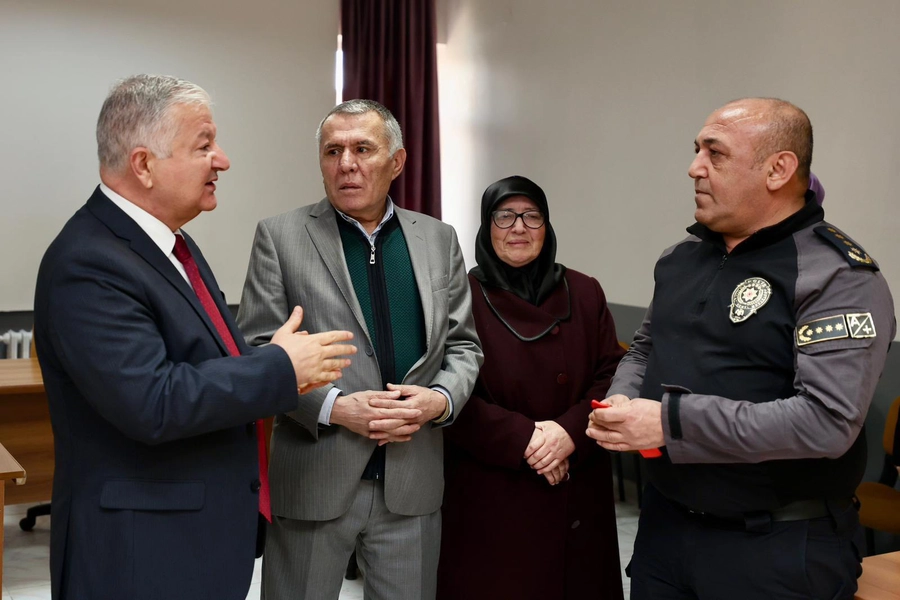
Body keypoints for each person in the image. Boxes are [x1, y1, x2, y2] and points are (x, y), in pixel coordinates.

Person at [33, 75, 357, 600]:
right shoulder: (88, 262)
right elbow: (152, 401)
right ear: (144, 165)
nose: (221, 160)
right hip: (138, 556)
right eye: (204, 146)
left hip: (190, 543)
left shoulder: (170, 244)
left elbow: (201, 360)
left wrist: (270, 360)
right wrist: (279, 366)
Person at [588, 98, 895, 599]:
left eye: (716, 153)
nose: (694, 168)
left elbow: (826, 421)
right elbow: (644, 349)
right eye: (696, 150)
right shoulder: (682, 258)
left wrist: (669, 422)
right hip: (667, 530)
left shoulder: (836, 274)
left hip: (776, 547)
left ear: (778, 169)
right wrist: (623, 398)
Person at [236, 99, 483, 600]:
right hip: (315, 475)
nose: (346, 163)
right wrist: (334, 408)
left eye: (363, 149)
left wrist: (438, 400)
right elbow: (258, 351)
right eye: (333, 151)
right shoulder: (280, 237)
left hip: (411, 481)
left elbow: (463, 346)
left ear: (397, 161)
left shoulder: (438, 239)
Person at [436, 175, 625, 599]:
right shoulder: (458, 296)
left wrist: (568, 434)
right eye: (504, 216)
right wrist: (527, 439)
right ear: (486, 227)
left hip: (576, 477)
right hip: (494, 488)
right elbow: (445, 389)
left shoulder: (585, 290)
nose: (518, 227)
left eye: (531, 216)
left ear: (547, 225)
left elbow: (613, 374)